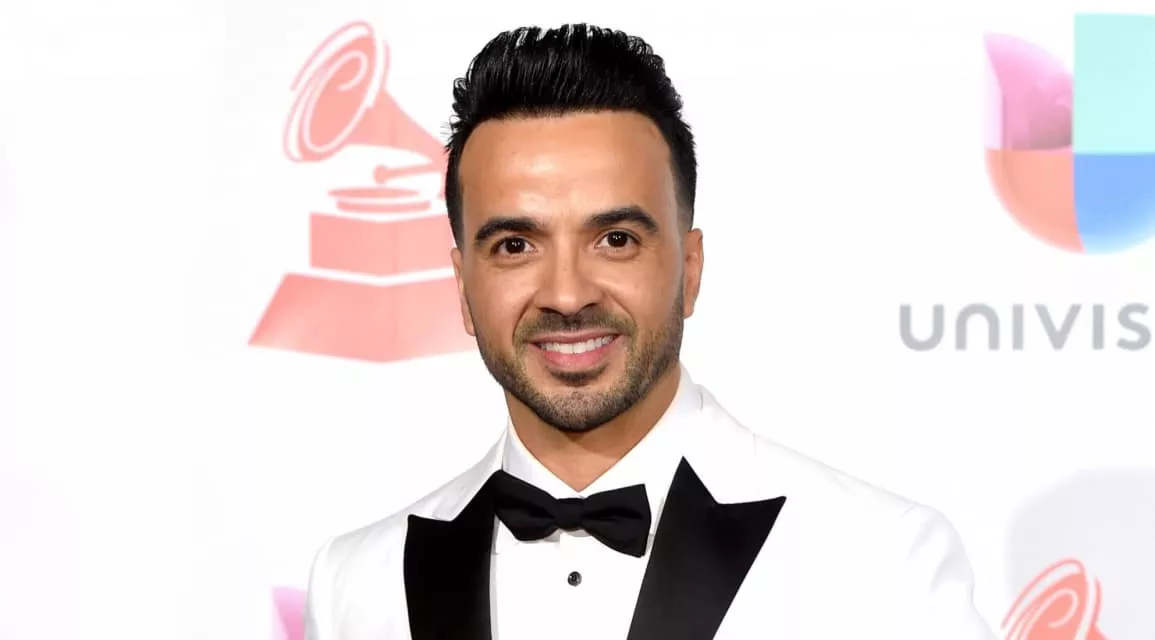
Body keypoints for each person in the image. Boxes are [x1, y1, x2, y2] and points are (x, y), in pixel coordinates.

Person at [302, 23, 997, 640]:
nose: (567, 294)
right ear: (462, 286)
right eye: (515, 246)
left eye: (615, 239)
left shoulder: (880, 560)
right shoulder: (356, 584)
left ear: (689, 269)